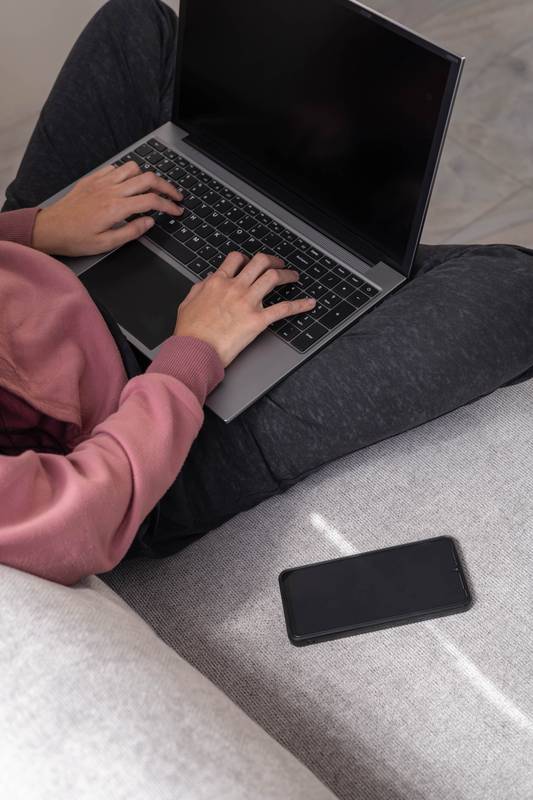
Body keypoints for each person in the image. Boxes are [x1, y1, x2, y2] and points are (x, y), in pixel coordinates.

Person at [1, 0, 533, 586]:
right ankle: (346, 256)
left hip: (38, 272)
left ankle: (321, 233)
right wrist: (193, 353)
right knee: (515, 289)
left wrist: (37, 228)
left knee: (135, 24)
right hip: (146, 437)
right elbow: (77, 518)